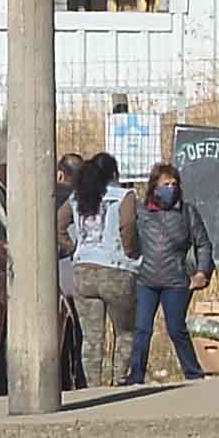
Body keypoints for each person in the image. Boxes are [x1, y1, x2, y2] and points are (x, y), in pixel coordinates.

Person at [121, 161, 210, 384]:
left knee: (176, 329)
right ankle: (136, 376)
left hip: (176, 281)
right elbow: (127, 237)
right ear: (154, 187)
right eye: (165, 184)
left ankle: (193, 373)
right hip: (146, 280)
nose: (170, 188)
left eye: (174, 184)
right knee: (141, 329)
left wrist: (201, 272)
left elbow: (203, 244)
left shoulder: (187, 213)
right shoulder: (141, 213)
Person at [60, 157, 132, 393]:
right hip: (116, 269)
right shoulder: (124, 197)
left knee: (92, 336)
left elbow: (58, 226)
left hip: (84, 269)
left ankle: (93, 387)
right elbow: (128, 227)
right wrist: (131, 252)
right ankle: (120, 382)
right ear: (114, 174)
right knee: (125, 331)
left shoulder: (76, 198)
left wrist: (73, 248)